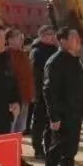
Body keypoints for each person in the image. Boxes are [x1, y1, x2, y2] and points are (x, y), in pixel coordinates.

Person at [43, 26, 83, 166]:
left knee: (69, 154)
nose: (78, 41)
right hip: (61, 116)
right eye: (73, 37)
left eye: (78, 38)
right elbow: (49, 91)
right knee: (54, 155)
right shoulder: (55, 62)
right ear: (62, 41)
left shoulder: (75, 60)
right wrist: (54, 117)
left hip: (74, 114)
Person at [6, 28, 35, 166]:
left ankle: (18, 156)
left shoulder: (23, 55)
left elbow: (28, 77)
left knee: (19, 130)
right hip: (13, 100)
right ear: (9, 39)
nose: (21, 40)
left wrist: (31, 94)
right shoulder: (6, 55)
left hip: (24, 98)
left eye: (21, 37)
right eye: (18, 37)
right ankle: (9, 158)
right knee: (10, 130)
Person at [29, 26, 58, 159]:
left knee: (50, 123)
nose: (52, 37)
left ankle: (49, 148)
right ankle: (38, 148)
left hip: (53, 93)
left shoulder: (55, 50)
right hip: (41, 93)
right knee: (39, 122)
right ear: (41, 36)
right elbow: (35, 75)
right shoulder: (37, 52)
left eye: (53, 34)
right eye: (48, 34)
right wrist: (36, 93)